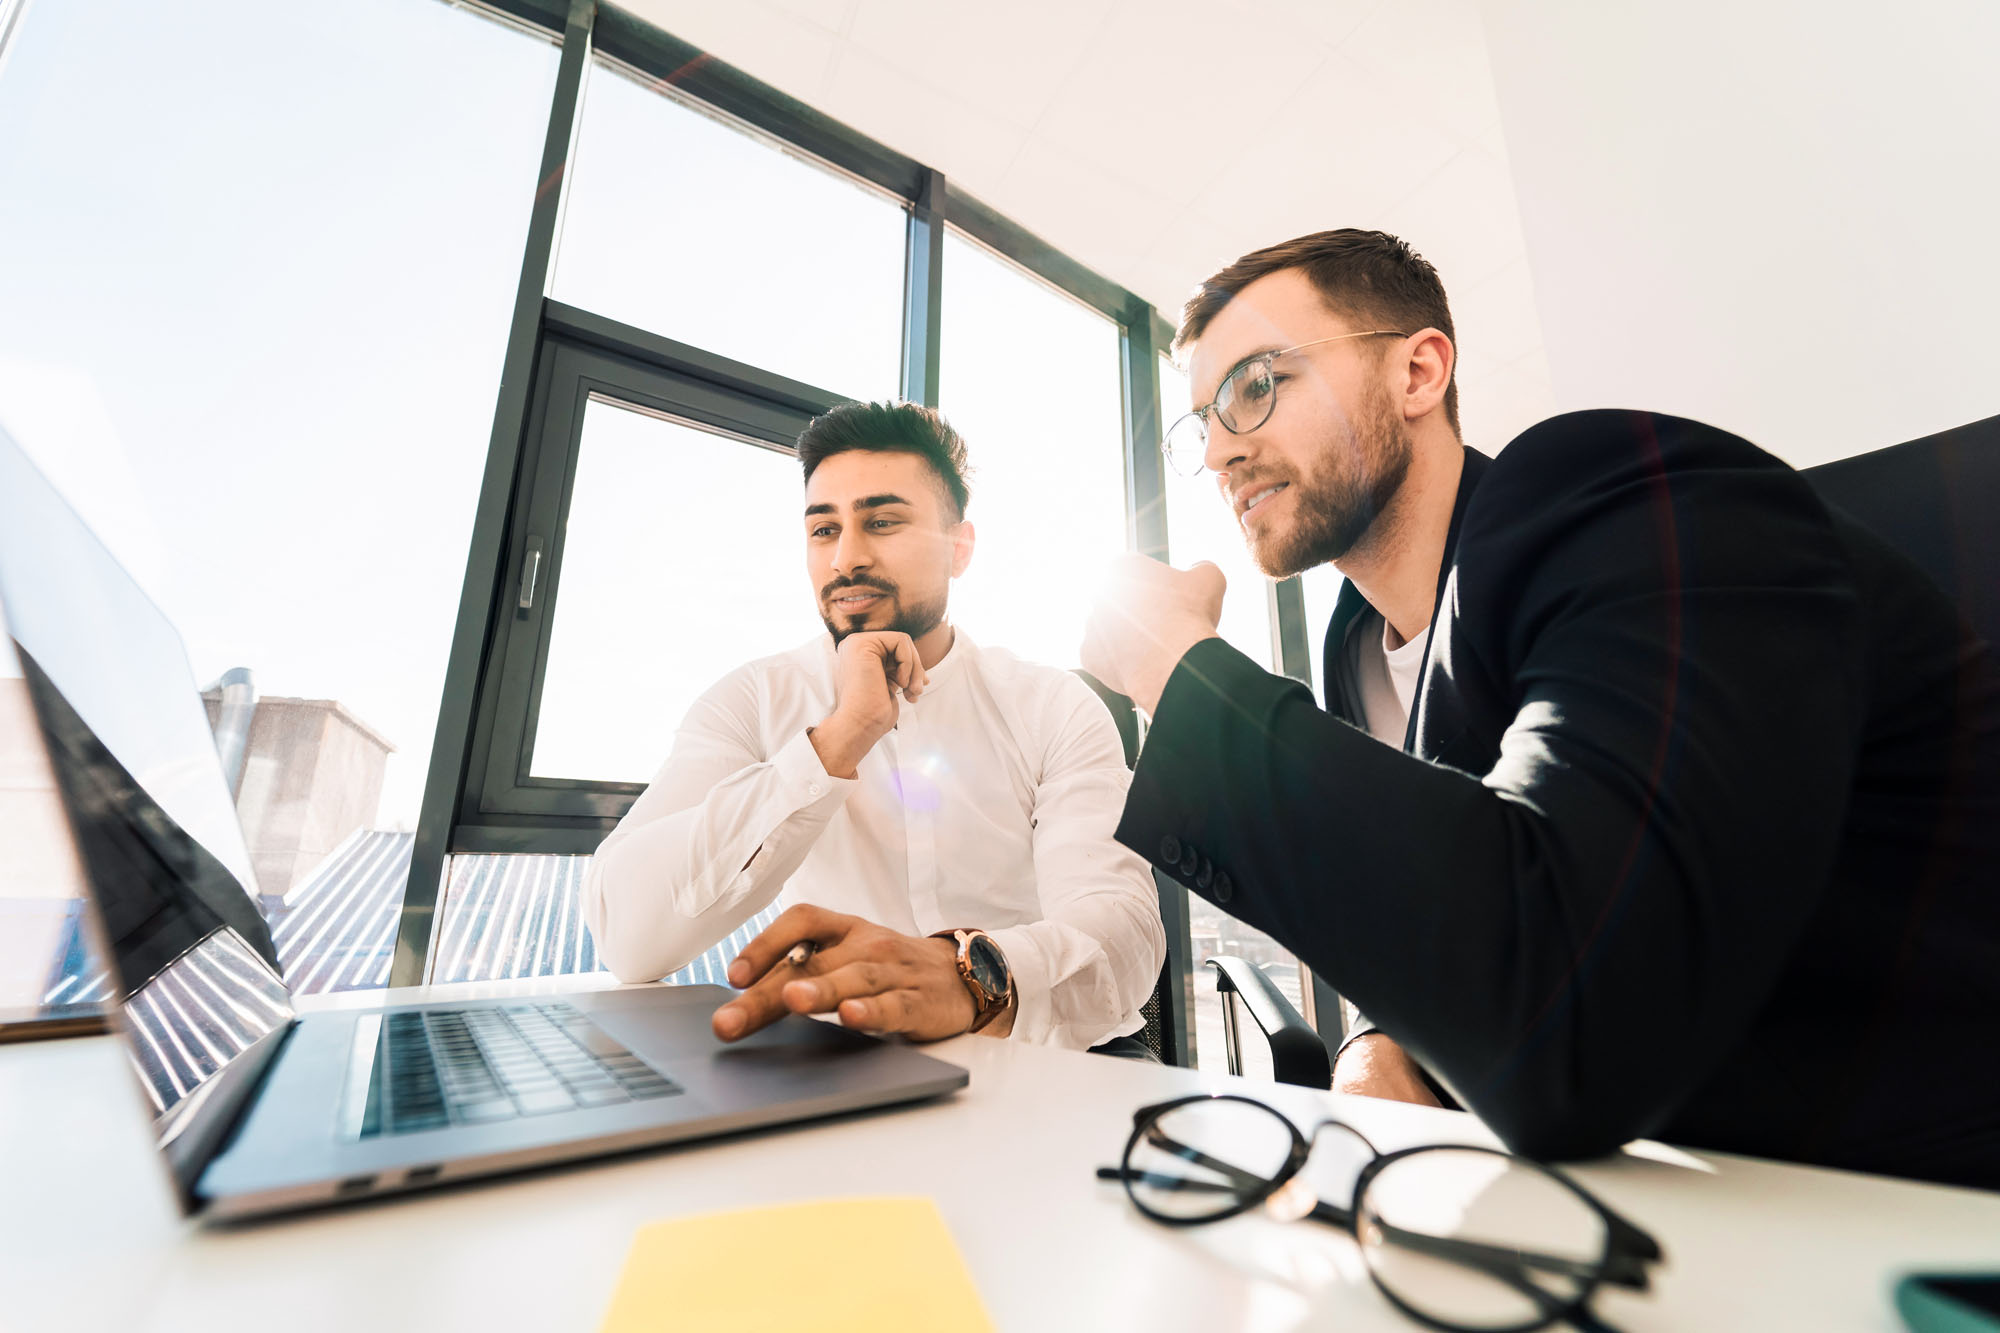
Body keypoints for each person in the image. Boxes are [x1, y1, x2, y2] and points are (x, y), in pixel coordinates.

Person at [1081, 228, 2000, 1188]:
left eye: (1255, 385)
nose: (1223, 448)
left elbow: (1580, 1001)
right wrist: (1379, 1037)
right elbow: (1453, 883)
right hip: (1649, 1200)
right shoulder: (1355, 653)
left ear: (1419, 371)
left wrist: (1185, 677)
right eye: (1203, 423)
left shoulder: (1602, 493)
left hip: (1918, 1194)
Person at [584, 400, 1165, 1056]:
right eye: (824, 530)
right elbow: (627, 938)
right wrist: (840, 737)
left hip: (1056, 1052)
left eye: (882, 521)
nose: (846, 559)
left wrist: (970, 979)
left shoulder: (1053, 703)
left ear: (959, 547)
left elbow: (1123, 933)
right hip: (849, 1057)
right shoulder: (750, 700)